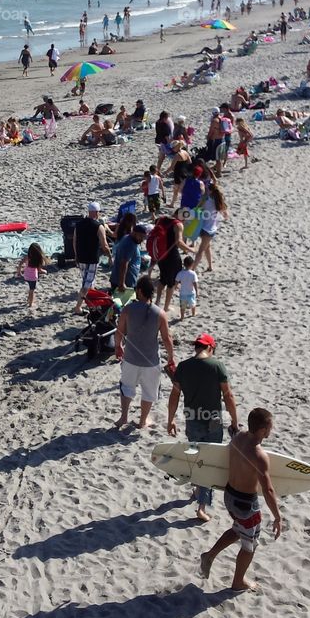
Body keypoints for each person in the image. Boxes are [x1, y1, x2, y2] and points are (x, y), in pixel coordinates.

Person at [199, 407, 282, 592]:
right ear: (262, 430)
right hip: (246, 504)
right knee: (249, 545)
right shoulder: (259, 456)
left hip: (229, 496)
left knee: (238, 528)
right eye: (270, 427)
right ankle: (238, 582)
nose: (271, 430)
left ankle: (209, 556)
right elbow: (268, 490)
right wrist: (277, 516)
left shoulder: (238, 438)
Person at [166, 332, 239, 522]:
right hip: (213, 420)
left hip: (192, 419)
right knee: (209, 461)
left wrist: (170, 419)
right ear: (209, 347)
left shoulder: (183, 367)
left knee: (197, 456)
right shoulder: (217, 366)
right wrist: (234, 419)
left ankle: (198, 488)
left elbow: (174, 396)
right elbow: (228, 396)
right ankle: (201, 506)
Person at [114, 275, 176, 430]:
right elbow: (167, 339)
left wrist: (118, 346)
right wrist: (171, 356)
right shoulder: (160, 313)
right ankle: (142, 421)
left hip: (130, 358)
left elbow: (119, 331)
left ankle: (123, 417)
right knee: (149, 392)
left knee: (127, 387)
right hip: (151, 361)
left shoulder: (128, 309)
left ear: (140, 291)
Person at [73, 202, 113, 313]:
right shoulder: (98, 226)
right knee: (86, 284)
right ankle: (78, 307)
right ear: (96, 212)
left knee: (89, 282)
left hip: (80, 257)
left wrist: (76, 255)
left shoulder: (79, 224)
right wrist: (110, 256)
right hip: (91, 258)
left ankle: (91, 304)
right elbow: (104, 245)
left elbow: (75, 241)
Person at [110, 222, 147, 295]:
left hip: (124, 280)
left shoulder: (128, 238)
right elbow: (124, 263)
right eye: (140, 236)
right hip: (124, 283)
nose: (142, 239)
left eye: (143, 237)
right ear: (134, 233)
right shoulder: (129, 244)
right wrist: (122, 283)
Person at [16, 242, 47, 310]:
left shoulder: (28, 257)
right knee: (32, 290)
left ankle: (28, 300)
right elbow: (39, 270)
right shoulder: (38, 259)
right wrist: (44, 271)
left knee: (30, 288)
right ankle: (30, 303)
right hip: (33, 277)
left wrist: (19, 272)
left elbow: (20, 264)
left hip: (26, 275)